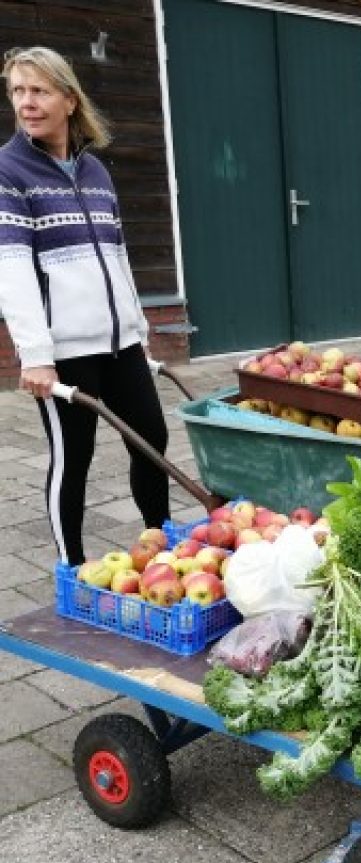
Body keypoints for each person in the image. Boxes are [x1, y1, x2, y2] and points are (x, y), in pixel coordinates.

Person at [0, 47, 169, 566]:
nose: (26, 102)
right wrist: (35, 354)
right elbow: (12, 268)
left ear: (69, 100)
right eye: (17, 91)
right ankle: (71, 569)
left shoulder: (95, 169)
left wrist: (137, 328)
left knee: (152, 440)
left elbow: (117, 257)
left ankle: (160, 546)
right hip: (64, 351)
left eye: (39, 91)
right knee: (74, 458)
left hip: (119, 341)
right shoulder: (8, 172)